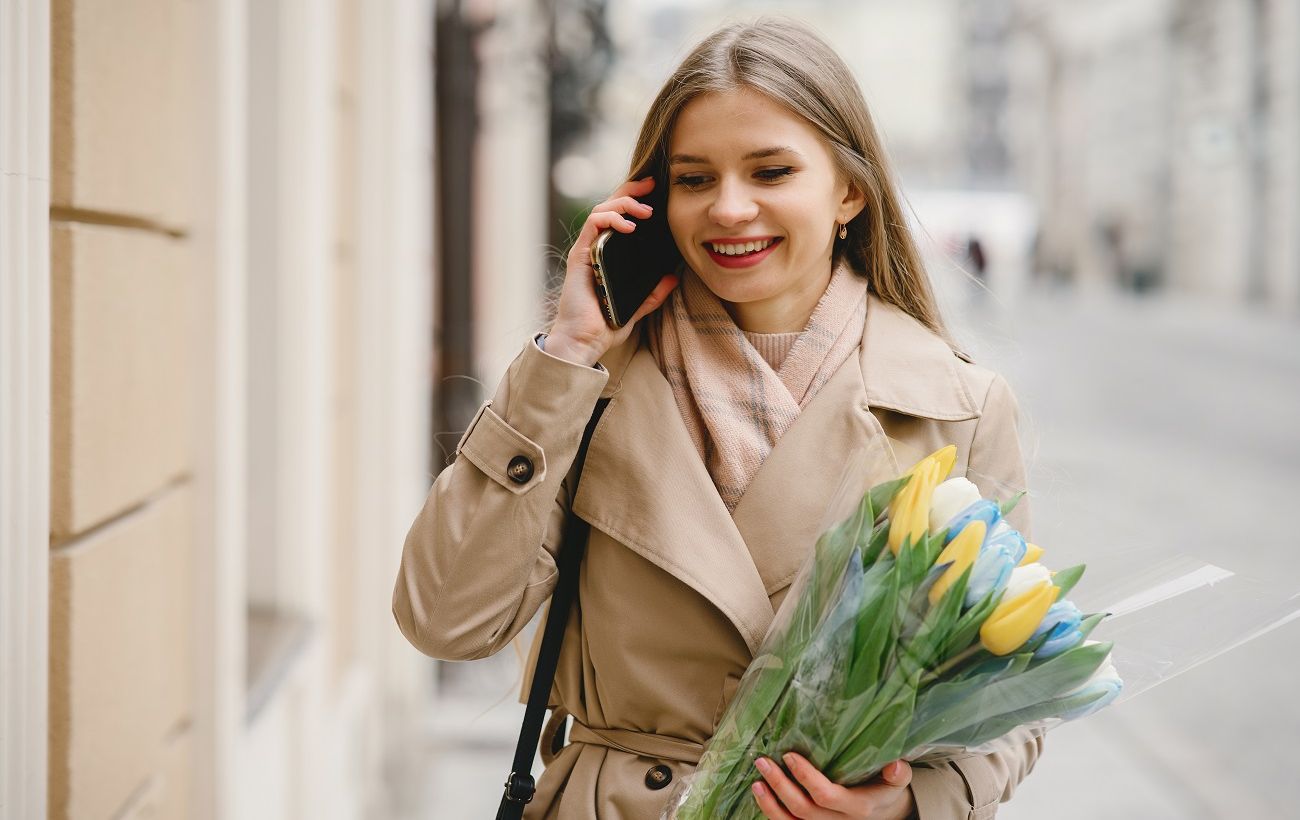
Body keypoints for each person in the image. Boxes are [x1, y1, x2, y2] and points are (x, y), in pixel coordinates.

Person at [393, 18, 1040, 820]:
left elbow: (1006, 690)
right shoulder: (582, 386)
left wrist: (906, 808)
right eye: (694, 179)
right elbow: (445, 620)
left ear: (849, 190)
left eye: (770, 171)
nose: (730, 209)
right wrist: (563, 357)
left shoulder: (958, 405)